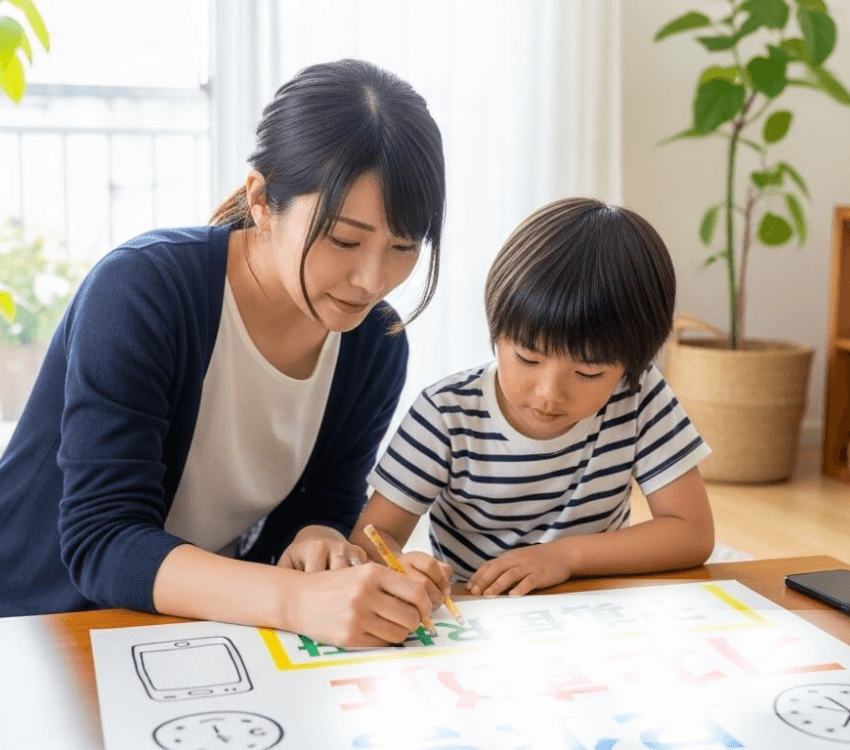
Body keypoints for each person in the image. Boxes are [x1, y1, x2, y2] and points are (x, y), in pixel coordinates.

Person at [0, 59, 448, 648]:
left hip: (194, 636)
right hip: (45, 626)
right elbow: (103, 542)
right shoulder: (143, 291)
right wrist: (297, 600)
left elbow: (327, 499)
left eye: (402, 246)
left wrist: (320, 547)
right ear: (262, 200)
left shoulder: (375, 343)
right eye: (343, 239)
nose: (371, 279)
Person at [351, 197, 715, 598]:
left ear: (633, 363)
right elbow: (373, 539)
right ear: (496, 329)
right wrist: (405, 569)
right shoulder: (446, 414)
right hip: (478, 613)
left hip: (594, 607)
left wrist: (565, 557)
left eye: (588, 373)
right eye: (527, 358)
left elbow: (692, 533)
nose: (549, 394)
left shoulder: (638, 394)